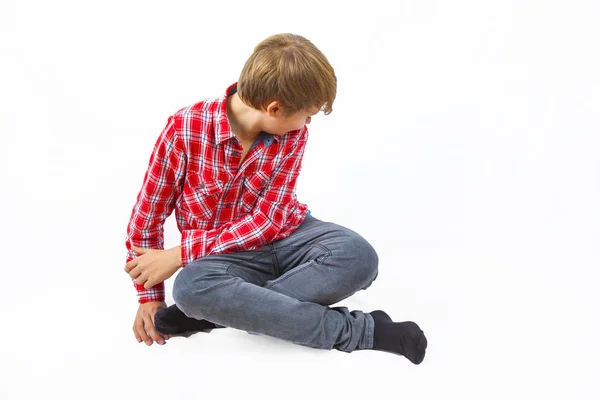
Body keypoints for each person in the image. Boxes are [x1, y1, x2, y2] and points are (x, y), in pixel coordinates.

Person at [123, 33, 427, 364]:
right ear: (275, 108)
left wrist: (182, 253)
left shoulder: (293, 134)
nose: (307, 123)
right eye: (307, 114)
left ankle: (215, 313)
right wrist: (149, 297)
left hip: (289, 237)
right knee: (191, 288)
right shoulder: (185, 128)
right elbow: (147, 216)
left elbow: (270, 219)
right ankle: (363, 331)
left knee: (358, 256)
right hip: (225, 258)